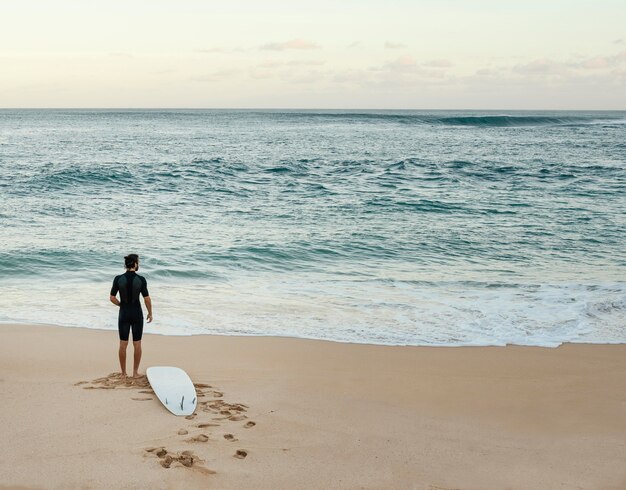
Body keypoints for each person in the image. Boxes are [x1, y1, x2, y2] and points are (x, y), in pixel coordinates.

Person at [109, 254, 153, 378]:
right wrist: (150, 312)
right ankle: (135, 373)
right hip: (136, 314)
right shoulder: (141, 279)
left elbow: (112, 298)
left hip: (124, 314)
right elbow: (147, 299)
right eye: (138, 262)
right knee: (137, 343)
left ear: (126, 265)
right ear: (134, 264)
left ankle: (123, 373)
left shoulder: (118, 279)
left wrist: (121, 305)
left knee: (123, 344)